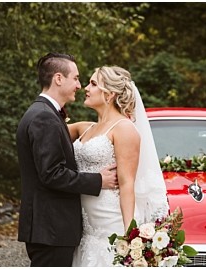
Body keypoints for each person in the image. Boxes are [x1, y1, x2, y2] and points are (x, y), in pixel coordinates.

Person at [16, 52, 119, 267]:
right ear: (58, 78)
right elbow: (52, 174)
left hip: (50, 228)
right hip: (51, 228)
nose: (79, 85)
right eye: (76, 78)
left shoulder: (46, 113)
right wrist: (98, 180)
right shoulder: (44, 117)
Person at [68, 66, 169, 266]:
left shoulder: (124, 129)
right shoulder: (86, 127)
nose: (86, 88)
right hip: (87, 228)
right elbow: (48, 125)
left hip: (110, 220)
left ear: (110, 94)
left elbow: (126, 184)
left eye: (93, 83)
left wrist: (130, 235)